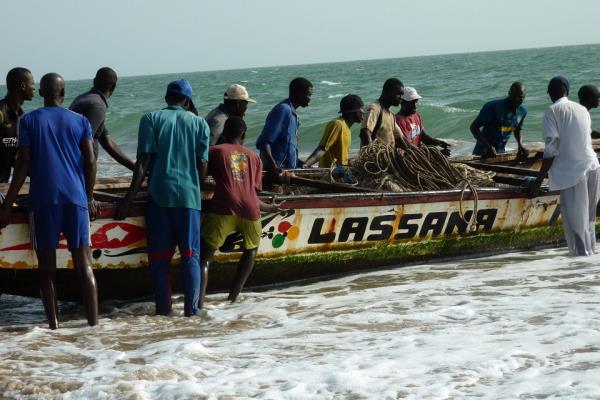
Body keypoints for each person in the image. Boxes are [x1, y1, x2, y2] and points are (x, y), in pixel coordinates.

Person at [0, 73, 98, 329]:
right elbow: (89, 161)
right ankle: (93, 325)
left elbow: (22, 164)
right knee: (84, 266)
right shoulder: (81, 121)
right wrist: (88, 198)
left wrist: (7, 204)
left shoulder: (28, 120)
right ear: (63, 93)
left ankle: (54, 327)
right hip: (76, 200)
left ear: (42, 93)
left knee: (47, 271)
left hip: (44, 201)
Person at [115, 79, 209, 317]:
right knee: (190, 256)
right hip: (189, 198)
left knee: (159, 260)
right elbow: (202, 163)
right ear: (187, 100)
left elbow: (143, 162)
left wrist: (128, 199)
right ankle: (191, 313)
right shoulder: (200, 124)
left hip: (158, 196)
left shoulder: (150, 119)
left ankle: (164, 312)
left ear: (166, 98)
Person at [199, 116, 280, 308]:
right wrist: (270, 208)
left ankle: (198, 304)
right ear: (243, 135)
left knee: (204, 258)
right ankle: (232, 299)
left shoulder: (215, 151)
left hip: (224, 207)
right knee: (251, 250)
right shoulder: (254, 157)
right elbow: (251, 193)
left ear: (224, 132)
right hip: (251, 211)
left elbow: (201, 179)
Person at [529, 76, 600, 256]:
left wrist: (538, 181)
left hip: (573, 173)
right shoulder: (581, 109)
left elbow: (551, 150)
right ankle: (591, 264)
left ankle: (580, 268)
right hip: (593, 167)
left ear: (553, 92)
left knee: (576, 224)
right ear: (566, 90)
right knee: (590, 220)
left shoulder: (552, 111)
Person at [70, 67, 135, 171]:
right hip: (78, 166)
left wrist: (135, 168)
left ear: (94, 81)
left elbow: (107, 142)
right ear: (114, 87)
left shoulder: (83, 98)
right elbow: (85, 142)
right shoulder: (98, 106)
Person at [256, 77, 312, 171]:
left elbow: (287, 150)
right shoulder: (283, 110)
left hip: (286, 171)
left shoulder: (293, 115)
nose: (310, 99)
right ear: (298, 93)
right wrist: (275, 168)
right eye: (309, 95)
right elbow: (264, 143)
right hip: (275, 173)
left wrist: (301, 164)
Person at [470, 82, 528, 159]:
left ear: (525, 96)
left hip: (500, 152)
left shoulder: (522, 111)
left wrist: (520, 145)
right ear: (509, 93)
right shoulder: (493, 107)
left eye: (520, 97)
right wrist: (488, 146)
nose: (517, 99)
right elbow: (474, 127)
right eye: (514, 96)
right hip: (483, 153)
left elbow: (517, 129)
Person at [304, 94, 364, 168]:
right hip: (330, 173)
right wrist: (306, 164)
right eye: (361, 109)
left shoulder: (347, 128)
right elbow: (322, 149)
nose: (363, 112)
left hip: (341, 172)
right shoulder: (337, 124)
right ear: (353, 111)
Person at [0, 68, 35, 182]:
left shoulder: (23, 117)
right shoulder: (1, 112)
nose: (34, 88)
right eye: (32, 83)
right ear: (23, 86)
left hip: (4, 182)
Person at [395, 87, 451, 155]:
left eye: (416, 101)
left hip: (419, 152)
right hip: (410, 156)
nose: (415, 105)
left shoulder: (416, 116)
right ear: (402, 102)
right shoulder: (399, 121)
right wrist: (436, 153)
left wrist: (438, 142)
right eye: (411, 102)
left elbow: (423, 136)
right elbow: (407, 147)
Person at [360, 78, 407, 148]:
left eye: (402, 95)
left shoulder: (391, 115)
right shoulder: (375, 108)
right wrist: (372, 152)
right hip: (375, 157)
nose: (401, 98)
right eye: (399, 94)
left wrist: (416, 152)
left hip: (387, 157)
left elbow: (401, 138)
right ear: (388, 92)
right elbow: (364, 133)